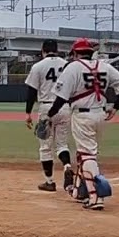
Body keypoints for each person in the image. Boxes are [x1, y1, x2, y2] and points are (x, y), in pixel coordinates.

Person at [46, 38, 119, 211]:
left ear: (76, 53)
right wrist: (115, 108)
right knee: (86, 153)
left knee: (87, 155)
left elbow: (61, 97)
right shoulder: (104, 66)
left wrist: (49, 115)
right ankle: (80, 191)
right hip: (100, 114)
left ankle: (95, 197)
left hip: (83, 116)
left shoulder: (74, 67)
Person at [24, 39, 74, 193]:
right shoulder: (67, 65)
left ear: (43, 50)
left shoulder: (38, 66)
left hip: (46, 107)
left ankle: (49, 182)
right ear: (57, 50)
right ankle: (67, 166)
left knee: (45, 147)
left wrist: (28, 112)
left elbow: (31, 91)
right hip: (64, 106)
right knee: (62, 144)